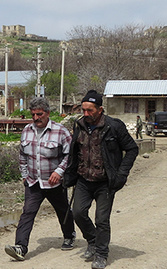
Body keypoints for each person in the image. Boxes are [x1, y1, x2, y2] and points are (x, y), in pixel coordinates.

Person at [63, 90, 139, 269]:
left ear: (100, 109)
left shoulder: (114, 126)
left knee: (101, 220)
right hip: (83, 179)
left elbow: (132, 149)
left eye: (90, 110)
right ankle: (92, 240)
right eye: (83, 110)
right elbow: (74, 152)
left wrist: (121, 174)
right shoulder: (79, 125)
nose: (86, 114)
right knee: (78, 213)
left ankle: (101, 254)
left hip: (105, 181)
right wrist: (69, 174)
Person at [4, 97, 76, 261]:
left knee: (63, 210)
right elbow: (22, 155)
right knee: (27, 213)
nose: (36, 118)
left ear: (48, 113)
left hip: (54, 183)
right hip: (33, 181)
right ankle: (20, 247)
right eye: (33, 115)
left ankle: (69, 235)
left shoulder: (60, 131)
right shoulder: (27, 131)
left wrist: (59, 171)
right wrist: (24, 175)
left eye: (40, 114)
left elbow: (69, 156)